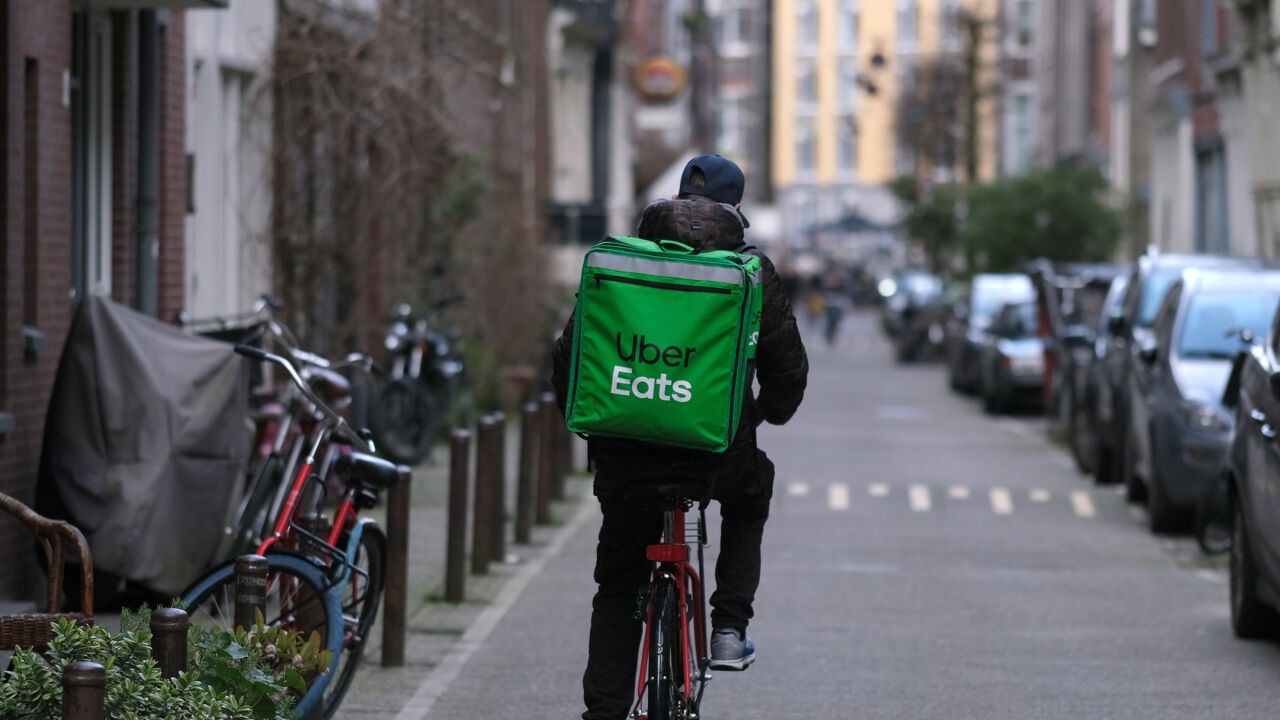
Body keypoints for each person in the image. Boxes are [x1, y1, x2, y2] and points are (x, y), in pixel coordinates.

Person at [551, 154, 809, 720]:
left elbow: (569, 357)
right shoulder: (749, 271)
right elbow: (788, 371)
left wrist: (597, 420)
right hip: (716, 452)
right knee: (752, 495)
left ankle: (604, 712)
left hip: (627, 452)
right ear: (735, 210)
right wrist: (764, 414)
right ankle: (728, 628)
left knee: (619, 585)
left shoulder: (623, 262)